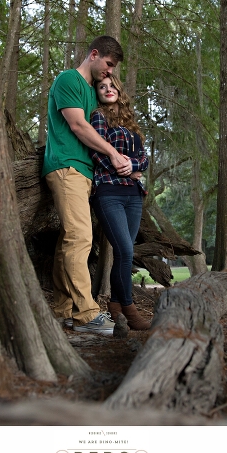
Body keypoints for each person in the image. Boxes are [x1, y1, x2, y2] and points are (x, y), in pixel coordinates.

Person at [42, 36, 132, 336]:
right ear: (94, 55)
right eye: (108, 65)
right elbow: (78, 126)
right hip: (66, 166)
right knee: (80, 237)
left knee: (68, 242)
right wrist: (112, 152)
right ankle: (87, 314)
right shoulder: (69, 79)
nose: (109, 73)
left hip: (82, 173)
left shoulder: (93, 95)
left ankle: (63, 310)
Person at [89, 74, 151, 330]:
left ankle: (115, 306)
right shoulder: (98, 117)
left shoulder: (131, 122)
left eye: (112, 85)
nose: (107, 89)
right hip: (108, 192)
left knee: (126, 254)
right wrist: (124, 169)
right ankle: (129, 308)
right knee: (124, 251)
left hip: (133, 195)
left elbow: (144, 159)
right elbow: (95, 151)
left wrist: (133, 166)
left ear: (119, 89)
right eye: (102, 87)